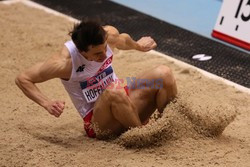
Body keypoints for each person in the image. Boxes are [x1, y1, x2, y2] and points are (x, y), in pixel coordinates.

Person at [15, 20, 177, 138]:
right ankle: (142, 136)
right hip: (99, 123)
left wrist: (139, 46)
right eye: (97, 54)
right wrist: (46, 103)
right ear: (81, 51)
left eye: (105, 49)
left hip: (124, 103)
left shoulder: (108, 37)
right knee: (114, 90)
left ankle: (168, 128)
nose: (104, 55)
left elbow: (124, 40)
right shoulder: (63, 64)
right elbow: (23, 79)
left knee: (164, 74)